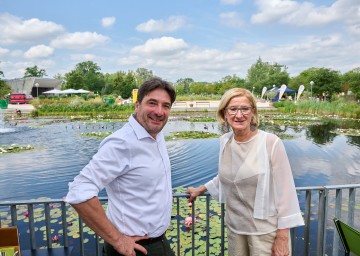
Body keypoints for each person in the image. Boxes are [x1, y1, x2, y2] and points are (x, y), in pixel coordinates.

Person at [65, 77, 176, 256]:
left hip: (159, 241)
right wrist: (117, 240)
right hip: (135, 249)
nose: (159, 111)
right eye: (152, 103)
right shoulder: (121, 143)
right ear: (137, 105)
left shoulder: (155, 133)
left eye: (166, 106)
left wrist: (163, 194)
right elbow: (79, 191)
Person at [186, 88, 304, 256]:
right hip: (235, 229)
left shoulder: (271, 143)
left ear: (253, 112)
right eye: (233, 109)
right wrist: (200, 189)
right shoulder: (225, 141)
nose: (239, 115)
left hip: (265, 233)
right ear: (225, 114)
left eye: (245, 109)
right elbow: (229, 176)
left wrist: (282, 238)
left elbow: (286, 192)